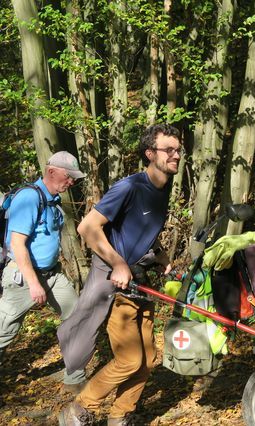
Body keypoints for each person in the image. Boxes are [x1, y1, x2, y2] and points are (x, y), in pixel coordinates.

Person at [58, 123, 180, 425]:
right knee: (129, 359)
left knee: (148, 359)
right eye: (169, 150)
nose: (176, 155)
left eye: (178, 149)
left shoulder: (162, 189)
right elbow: (87, 227)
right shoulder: (130, 187)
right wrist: (119, 263)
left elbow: (141, 231)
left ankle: (120, 415)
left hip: (140, 282)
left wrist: (162, 258)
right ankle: (78, 409)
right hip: (116, 284)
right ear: (150, 153)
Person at [0, 151, 86, 391]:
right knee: (4, 331)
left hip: (52, 275)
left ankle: (75, 379)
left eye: (75, 179)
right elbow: (17, 244)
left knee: (76, 318)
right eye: (69, 177)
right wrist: (34, 283)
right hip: (24, 278)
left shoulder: (53, 200)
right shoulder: (29, 198)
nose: (72, 182)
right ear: (51, 172)